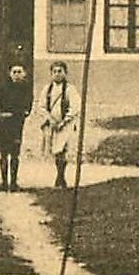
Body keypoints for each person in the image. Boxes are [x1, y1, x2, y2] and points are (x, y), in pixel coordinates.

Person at [0, 62, 33, 191]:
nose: (17, 74)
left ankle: (14, 183)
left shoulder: (26, 90)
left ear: (24, 74)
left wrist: (12, 114)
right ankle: (4, 182)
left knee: (15, 154)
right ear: (9, 74)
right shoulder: (3, 89)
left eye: (19, 72)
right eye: (14, 72)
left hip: (16, 126)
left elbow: (26, 109)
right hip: (3, 126)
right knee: (3, 154)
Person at [39, 60, 81, 188]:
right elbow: (41, 106)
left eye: (60, 71)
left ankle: (61, 177)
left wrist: (64, 121)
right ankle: (59, 176)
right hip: (52, 124)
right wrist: (50, 119)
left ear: (65, 73)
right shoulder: (47, 89)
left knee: (62, 150)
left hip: (65, 125)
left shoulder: (70, 89)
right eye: (54, 71)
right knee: (55, 150)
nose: (57, 74)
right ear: (51, 73)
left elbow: (75, 107)